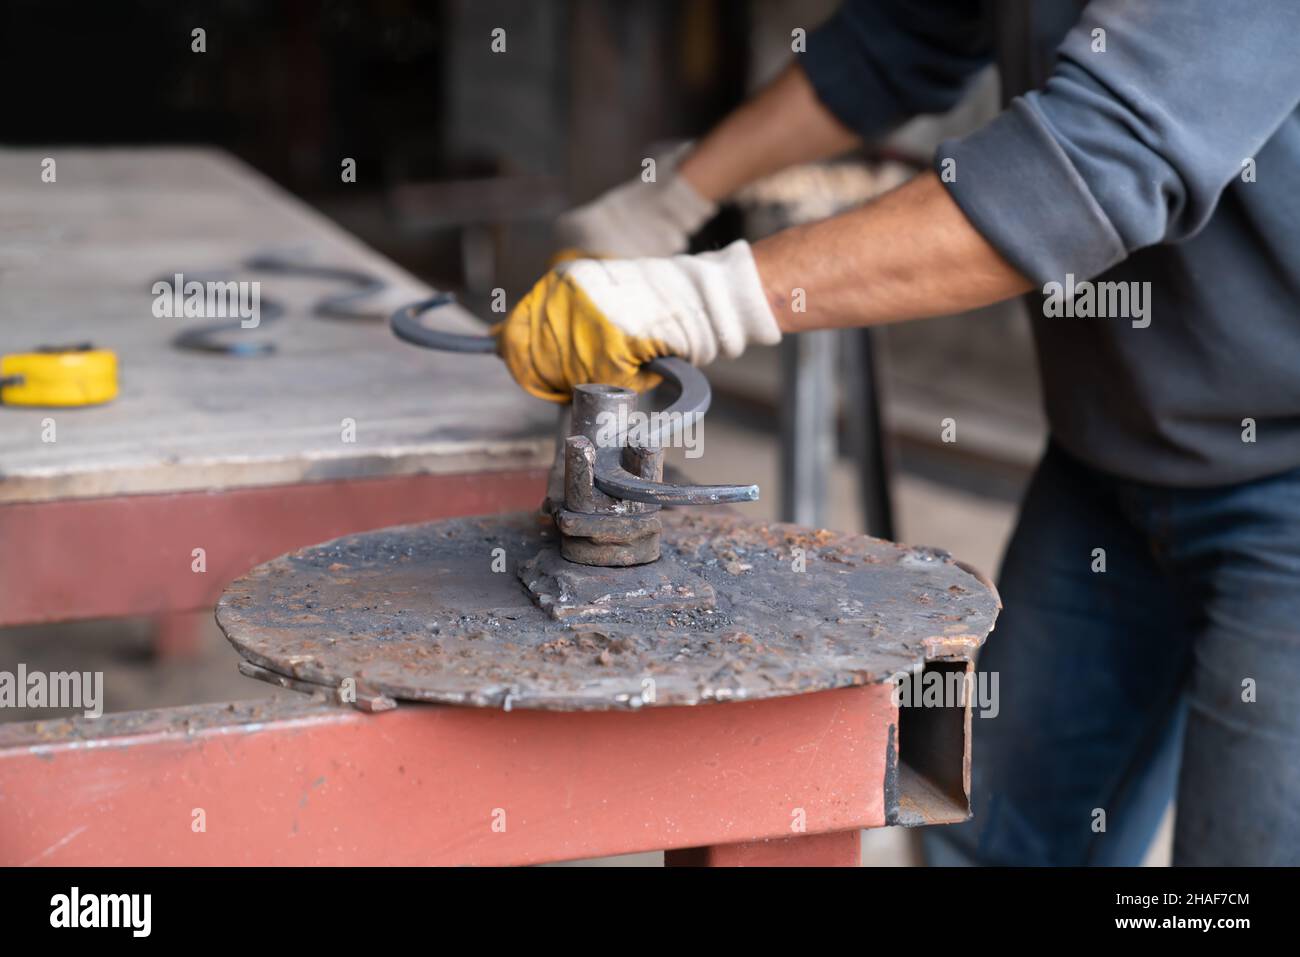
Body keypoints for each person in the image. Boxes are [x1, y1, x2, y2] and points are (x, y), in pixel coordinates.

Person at [492, 0, 1300, 865]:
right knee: (983, 842)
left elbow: (1089, 168)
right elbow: (901, 37)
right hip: (1109, 454)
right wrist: (669, 199)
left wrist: (699, 299)